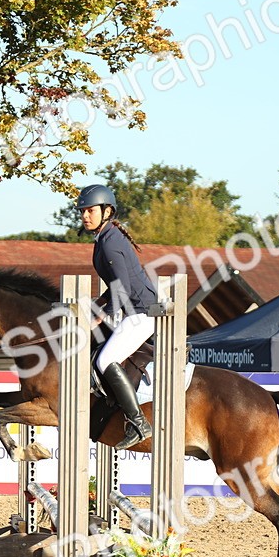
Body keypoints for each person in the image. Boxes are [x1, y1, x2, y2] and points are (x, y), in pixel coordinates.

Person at [77, 183, 158, 449]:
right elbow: (115, 287)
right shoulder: (105, 238)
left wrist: (102, 315)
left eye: (90, 211)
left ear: (107, 211)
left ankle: (137, 421)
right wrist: (95, 306)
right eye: (83, 212)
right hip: (134, 311)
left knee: (105, 360)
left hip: (144, 313)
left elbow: (121, 287)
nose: (85, 216)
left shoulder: (110, 243)